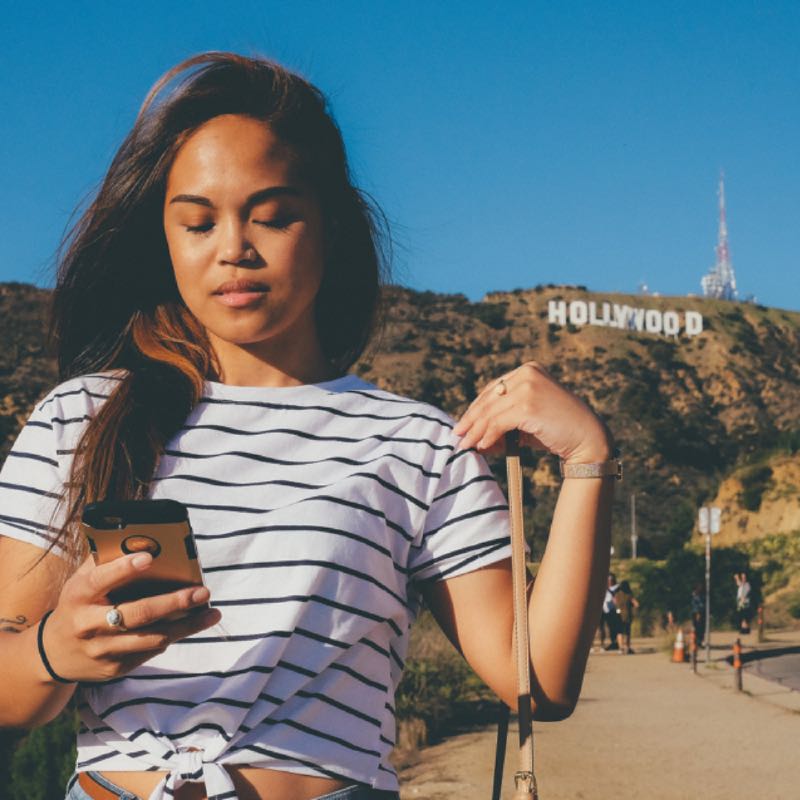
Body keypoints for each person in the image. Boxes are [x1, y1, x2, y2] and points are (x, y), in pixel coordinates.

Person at [0, 53, 617, 800]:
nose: (233, 249)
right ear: (163, 240)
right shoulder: (84, 419)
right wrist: (54, 650)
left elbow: (537, 682)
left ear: (329, 223)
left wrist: (589, 460)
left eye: (272, 215)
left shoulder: (419, 447)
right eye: (198, 222)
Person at [613, 579, 638, 654]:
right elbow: (636, 604)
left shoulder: (616, 594)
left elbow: (614, 603)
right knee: (627, 632)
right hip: (627, 615)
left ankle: (620, 648)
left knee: (619, 632)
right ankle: (627, 648)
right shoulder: (629, 594)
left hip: (618, 615)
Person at [602, 573, 621, 650]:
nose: (609, 581)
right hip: (604, 610)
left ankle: (616, 642)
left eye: (611, 580)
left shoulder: (617, 588)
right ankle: (612, 642)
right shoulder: (604, 588)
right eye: (608, 580)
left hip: (614, 610)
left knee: (615, 627)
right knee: (607, 628)